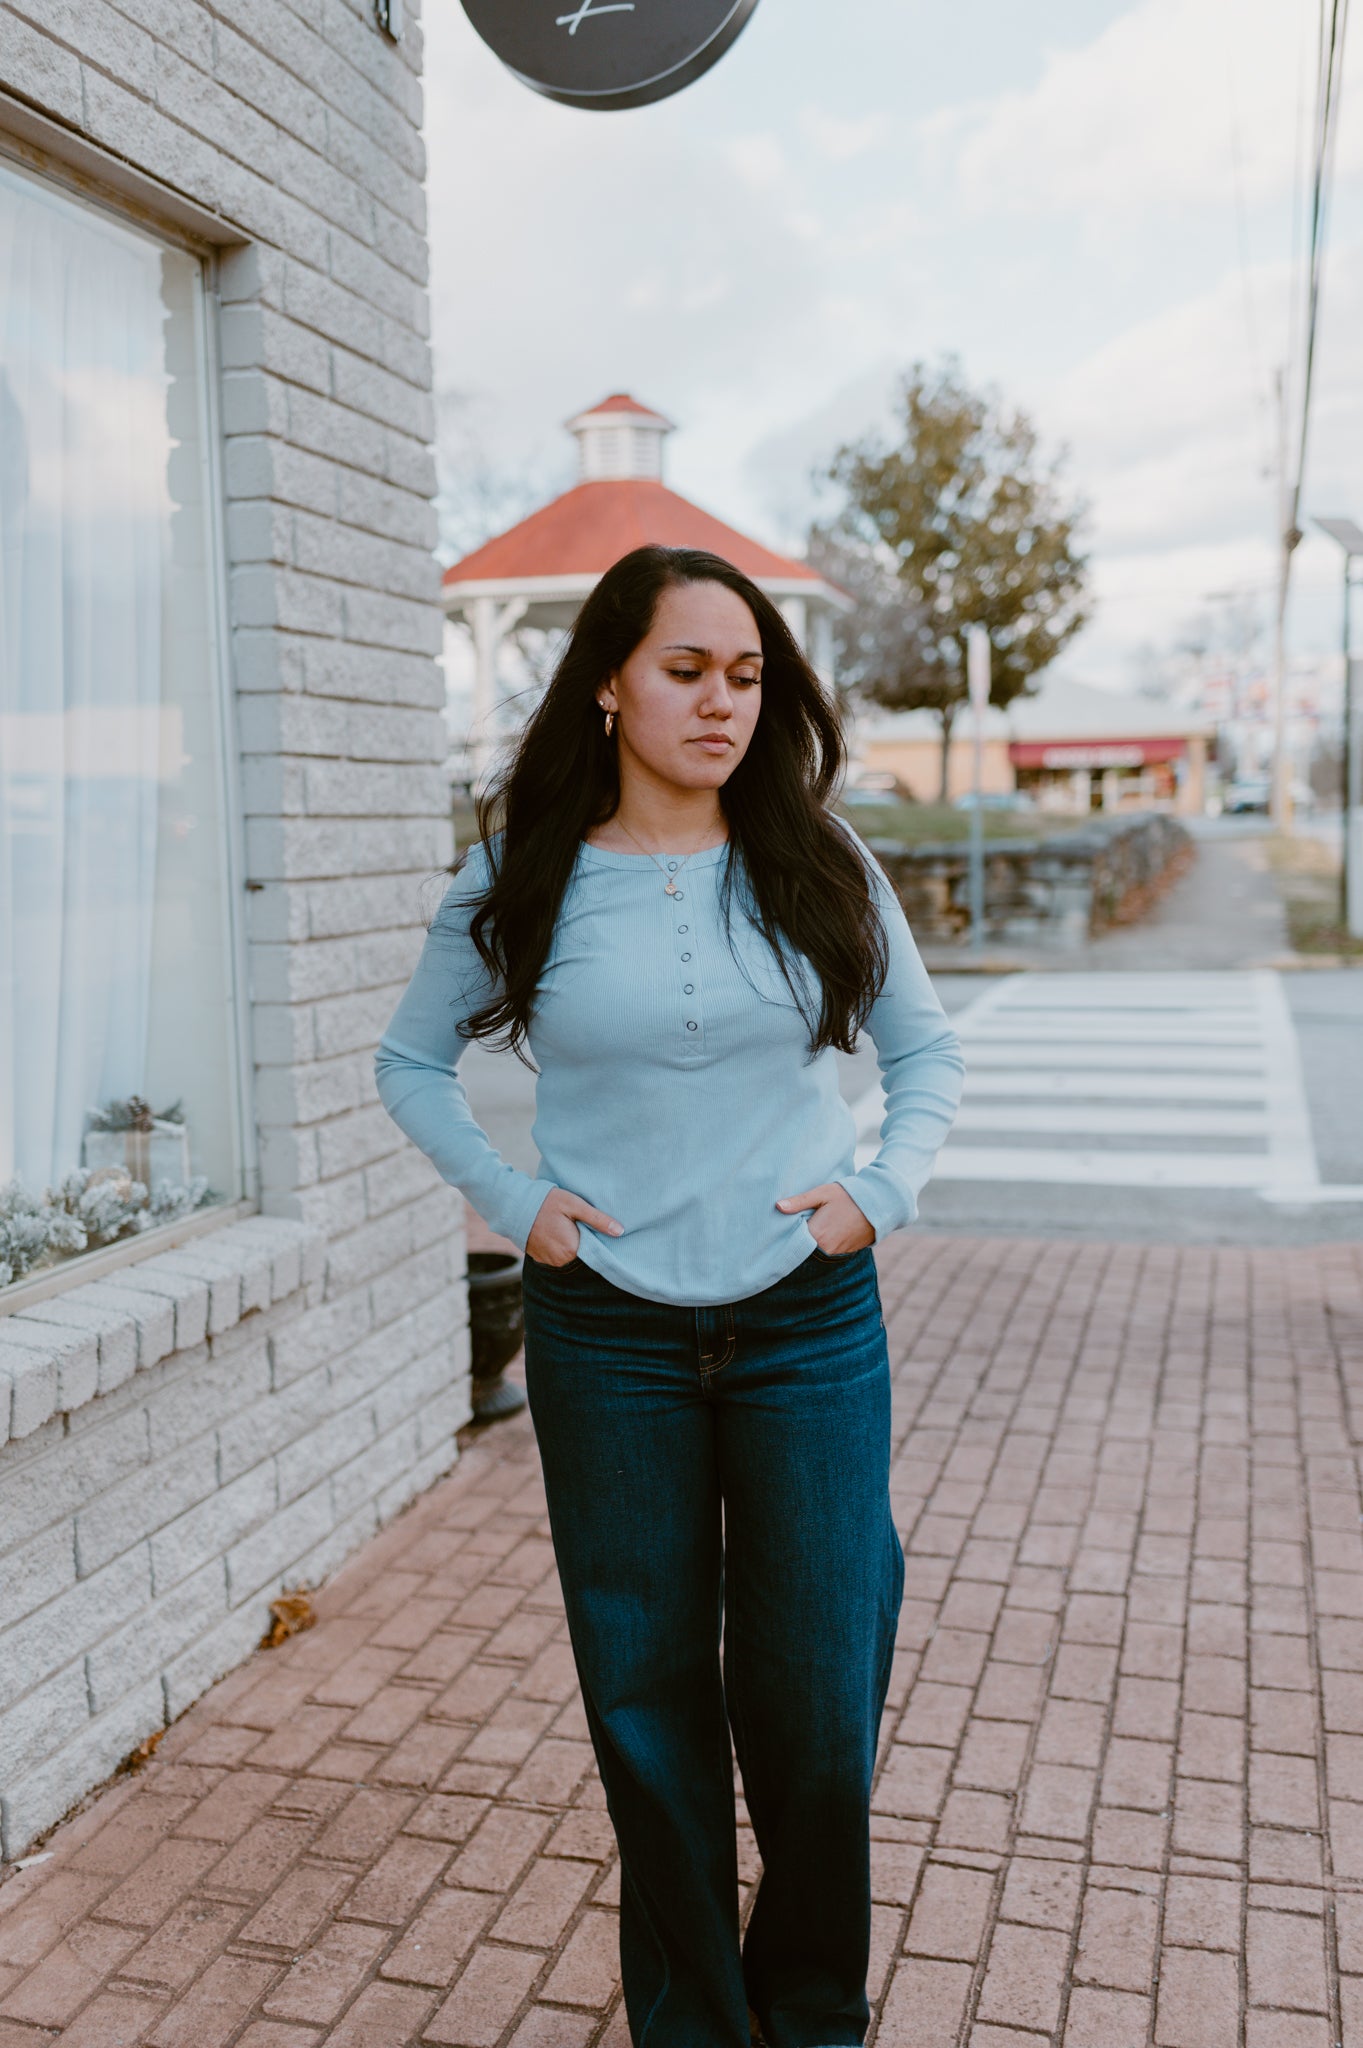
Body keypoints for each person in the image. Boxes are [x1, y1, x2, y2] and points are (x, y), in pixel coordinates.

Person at [375, 544, 964, 2048]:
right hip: (609, 1334)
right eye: (689, 671)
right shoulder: (522, 871)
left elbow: (929, 1059)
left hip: (806, 1326)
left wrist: (876, 1195)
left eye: (749, 676)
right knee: (646, 1706)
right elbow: (409, 1063)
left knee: (821, 1701)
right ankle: (696, 2024)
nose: (723, 704)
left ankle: (814, 2014)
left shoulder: (819, 856)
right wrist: (518, 1208)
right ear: (610, 683)